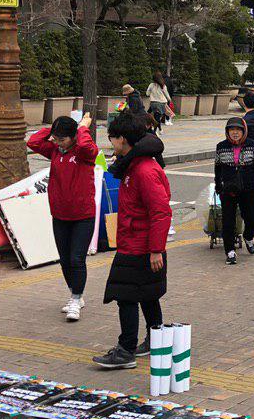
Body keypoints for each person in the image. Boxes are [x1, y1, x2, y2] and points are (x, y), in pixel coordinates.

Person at [93, 113, 171, 370]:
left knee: (125, 296)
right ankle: (156, 339)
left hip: (140, 246)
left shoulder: (144, 170)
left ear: (123, 139)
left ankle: (126, 350)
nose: (111, 143)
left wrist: (156, 250)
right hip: (135, 242)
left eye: (112, 138)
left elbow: (160, 212)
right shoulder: (133, 165)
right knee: (147, 295)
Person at [27, 113, 99, 321]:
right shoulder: (54, 151)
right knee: (65, 259)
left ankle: (75, 299)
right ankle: (75, 293)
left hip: (83, 215)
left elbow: (87, 146)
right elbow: (33, 141)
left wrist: (83, 127)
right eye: (55, 138)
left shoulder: (84, 153)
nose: (58, 143)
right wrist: (53, 128)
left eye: (62, 139)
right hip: (60, 214)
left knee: (77, 258)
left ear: (74, 136)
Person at [215, 117, 254, 265]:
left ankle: (248, 237)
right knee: (228, 221)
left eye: (238, 130)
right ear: (227, 132)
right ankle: (230, 252)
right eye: (231, 130)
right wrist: (218, 185)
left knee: (252, 219)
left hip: (248, 189)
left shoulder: (253, 145)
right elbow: (218, 169)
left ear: (244, 131)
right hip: (228, 190)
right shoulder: (221, 147)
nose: (235, 133)